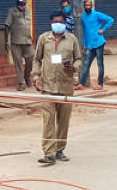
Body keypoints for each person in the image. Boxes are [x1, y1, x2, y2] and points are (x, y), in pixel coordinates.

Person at [31, 11, 83, 166]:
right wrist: (35, 76)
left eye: (60, 21)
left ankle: (60, 149)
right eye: (55, 21)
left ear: (65, 23)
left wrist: (74, 67)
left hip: (65, 86)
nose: (58, 24)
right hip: (47, 86)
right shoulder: (43, 39)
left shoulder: (72, 40)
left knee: (63, 120)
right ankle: (49, 153)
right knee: (48, 120)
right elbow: (37, 59)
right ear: (50, 23)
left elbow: (79, 59)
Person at [78, 0, 114, 90]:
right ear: (84, 7)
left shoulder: (97, 14)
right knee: (86, 64)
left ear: (92, 6)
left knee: (99, 64)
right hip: (89, 44)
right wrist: (85, 44)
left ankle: (100, 84)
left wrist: (103, 29)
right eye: (86, 5)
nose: (87, 7)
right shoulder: (83, 17)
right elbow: (85, 31)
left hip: (99, 42)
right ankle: (82, 84)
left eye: (89, 5)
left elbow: (110, 20)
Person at [4, 0, 34, 91]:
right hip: (16, 42)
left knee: (31, 58)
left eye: (23, 4)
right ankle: (21, 83)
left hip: (27, 40)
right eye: (20, 4)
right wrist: (6, 41)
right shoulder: (12, 11)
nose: (22, 6)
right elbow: (7, 26)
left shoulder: (28, 11)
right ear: (17, 4)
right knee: (18, 63)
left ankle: (27, 76)